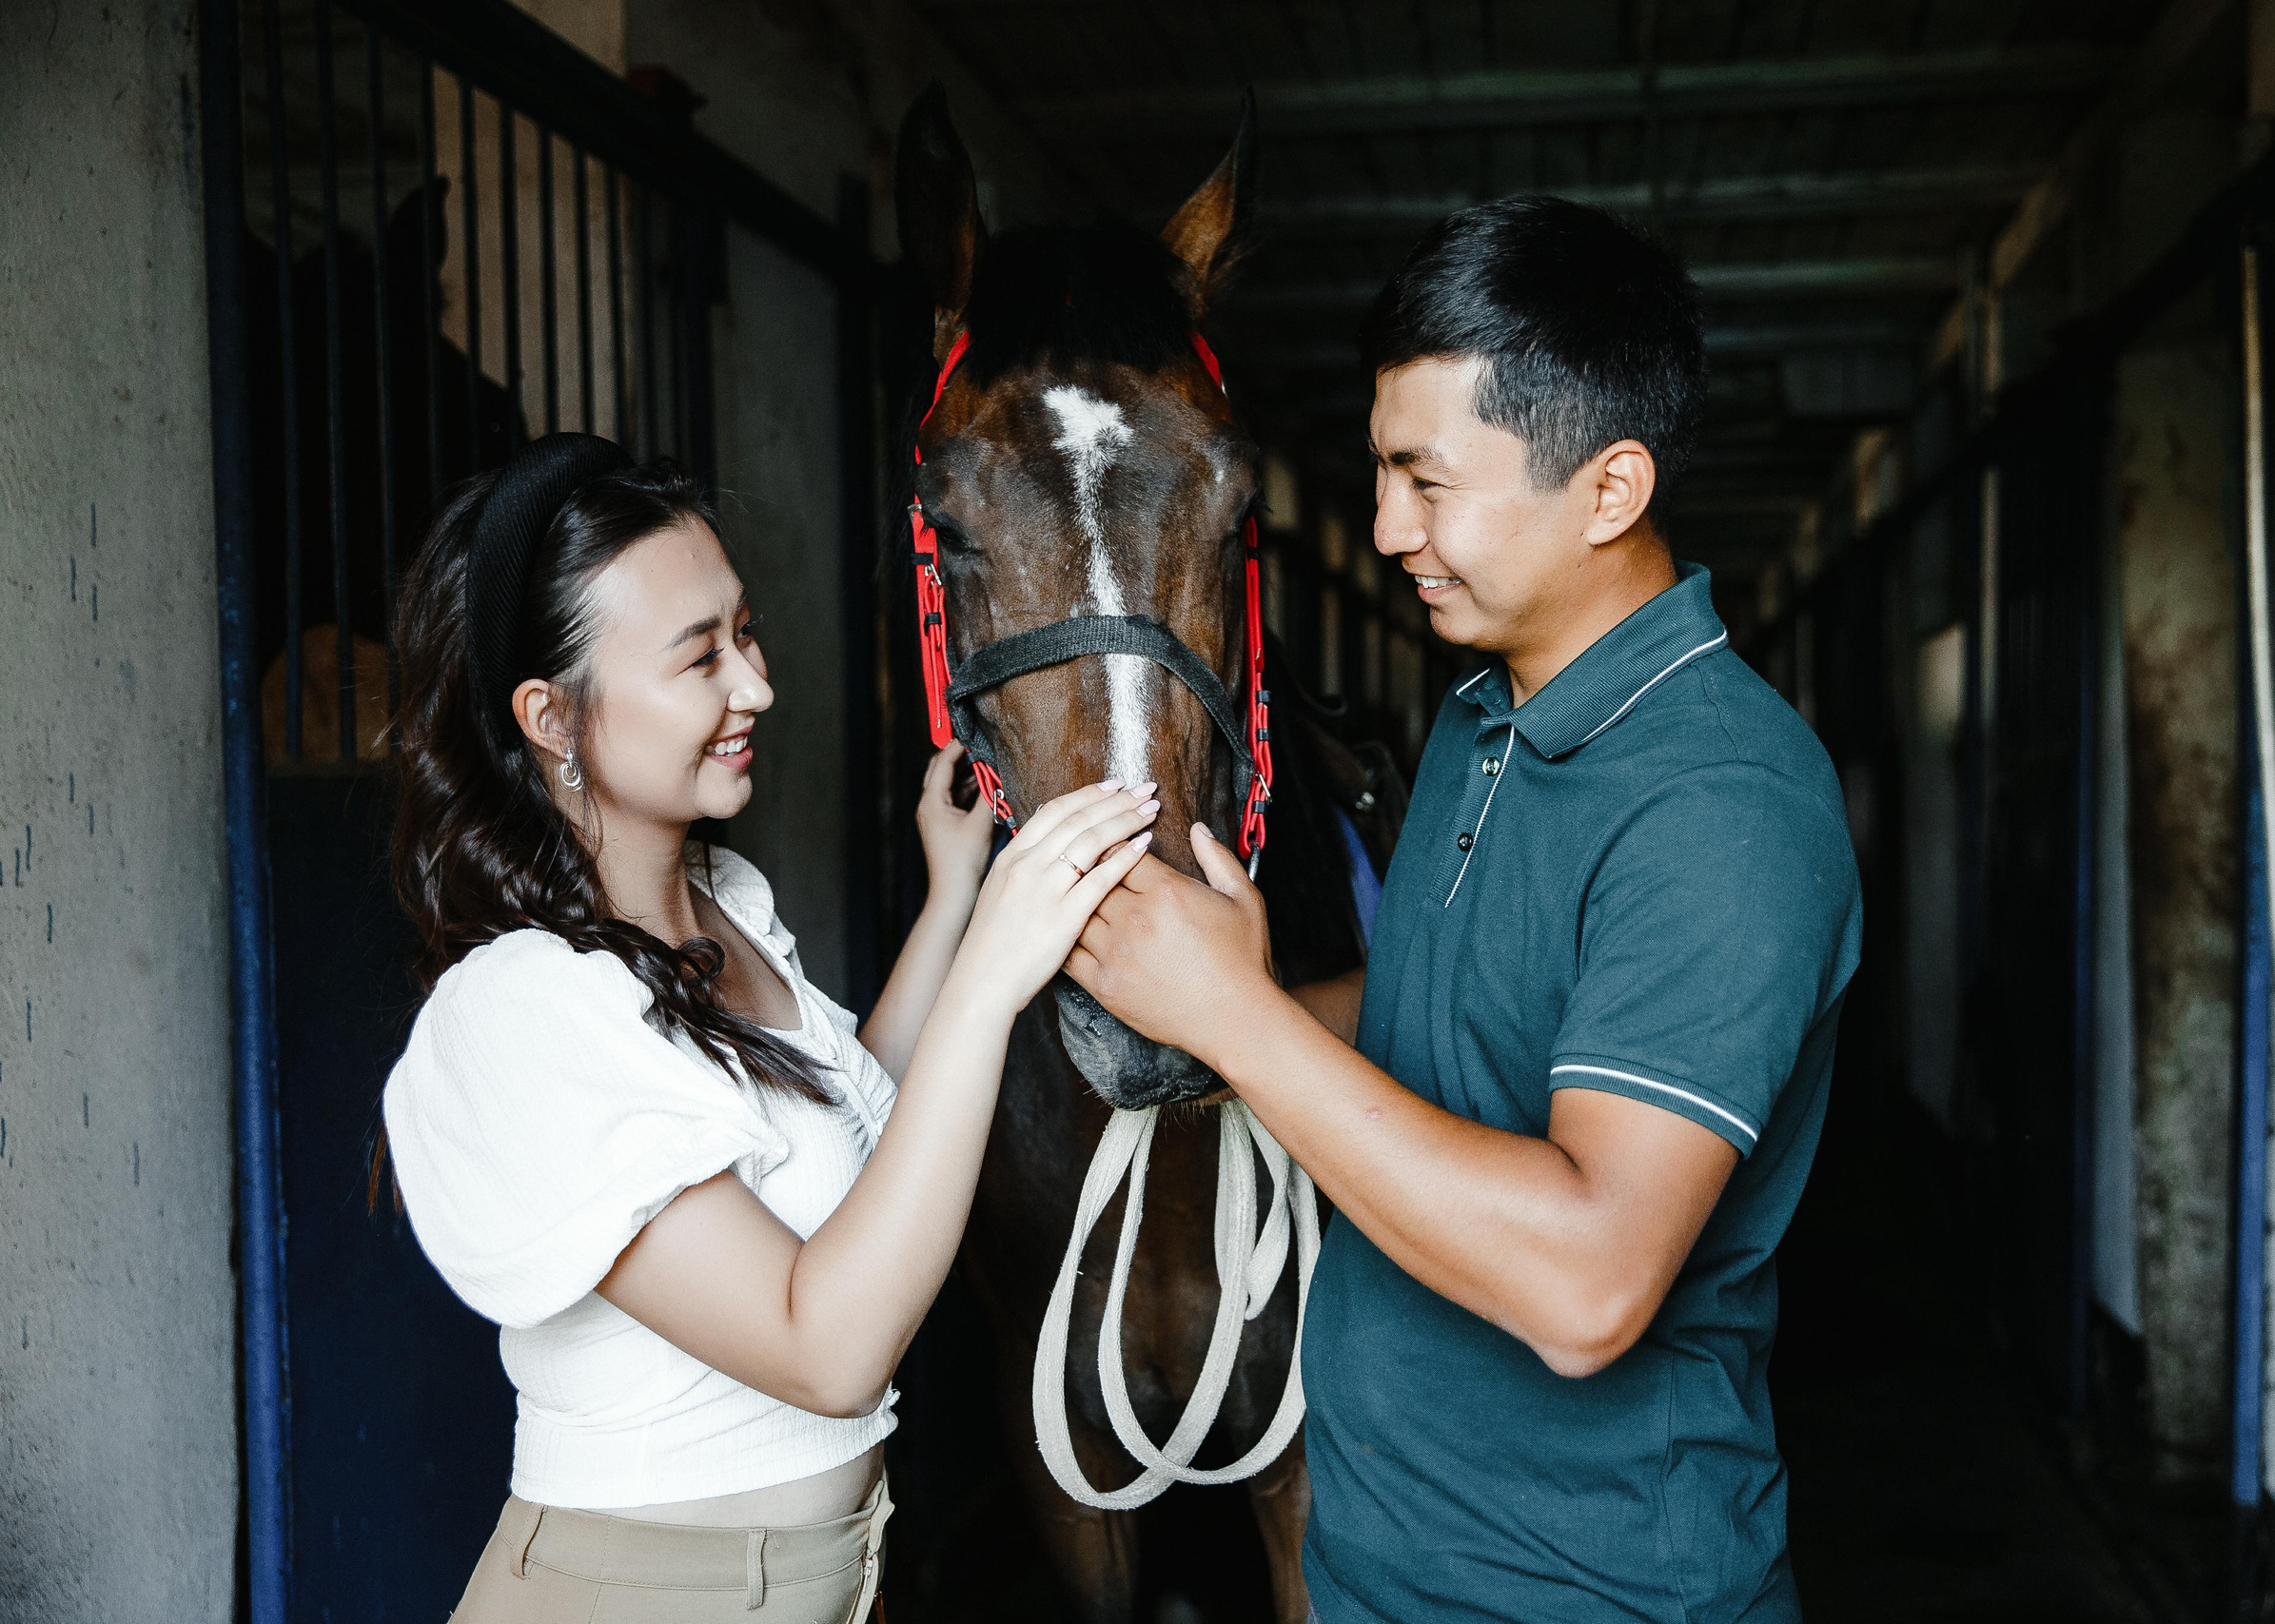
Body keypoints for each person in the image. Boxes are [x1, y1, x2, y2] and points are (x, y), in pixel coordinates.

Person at [1065, 198, 1863, 1622]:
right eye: (1381, 474)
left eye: (1426, 482)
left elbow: (1588, 1282)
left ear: (1609, 490)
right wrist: (1200, 1009)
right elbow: (1440, 1011)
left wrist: (1238, 1022)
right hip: (1379, 1563)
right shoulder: (1485, 715)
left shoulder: (1725, 805)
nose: (1385, 529)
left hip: (1588, 1590)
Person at [379, 435, 1159, 1623]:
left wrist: (952, 901)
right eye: (701, 659)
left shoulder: (726, 904)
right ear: (551, 716)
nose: (756, 685)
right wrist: (995, 971)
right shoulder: (524, 1010)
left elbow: (858, 1139)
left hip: (826, 1581)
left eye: (743, 633)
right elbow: (826, 1348)